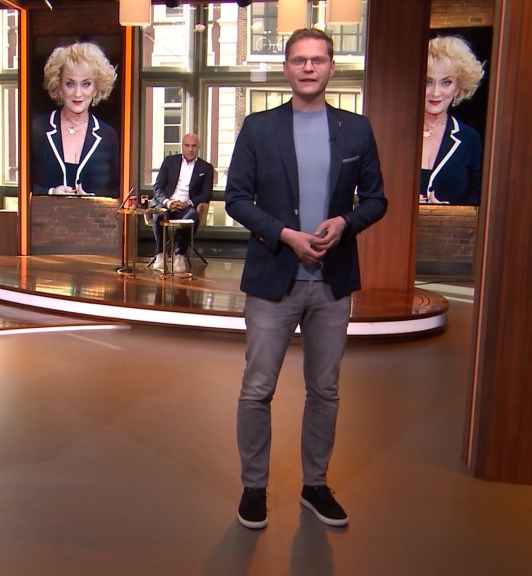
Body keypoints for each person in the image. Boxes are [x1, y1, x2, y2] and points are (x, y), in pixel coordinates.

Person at [225, 28, 386, 530]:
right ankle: (254, 488)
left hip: (332, 283)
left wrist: (346, 223)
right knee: (257, 389)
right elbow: (236, 199)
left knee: (325, 390)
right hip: (273, 279)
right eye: (299, 60)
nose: (309, 68)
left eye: (317, 59)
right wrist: (285, 235)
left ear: (332, 66)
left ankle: (315, 485)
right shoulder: (258, 127)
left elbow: (376, 199)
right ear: (287, 68)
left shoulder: (356, 129)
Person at [32, 41, 119, 197]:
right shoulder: (38, 128)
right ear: (59, 86)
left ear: (96, 88)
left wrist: (94, 201)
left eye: (86, 84)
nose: (78, 93)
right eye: (70, 84)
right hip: (47, 213)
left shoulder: (108, 135)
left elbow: (117, 193)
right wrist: (50, 193)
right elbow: (25, 185)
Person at [421, 35, 485, 205]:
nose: (436, 93)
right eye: (428, 82)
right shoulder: (398, 133)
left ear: (458, 87)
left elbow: (478, 201)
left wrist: (446, 213)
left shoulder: (470, 139)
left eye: (446, 82)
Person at [149, 132, 214, 273]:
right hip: (167, 203)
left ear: (199, 147)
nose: (190, 149)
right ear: (182, 146)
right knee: (158, 215)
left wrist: (188, 203)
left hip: (186, 206)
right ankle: (160, 254)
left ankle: (179, 254)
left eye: (194, 146)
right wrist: (167, 202)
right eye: (187, 145)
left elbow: (207, 194)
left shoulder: (206, 168)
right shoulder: (169, 161)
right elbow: (158, 186)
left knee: (193, 218)